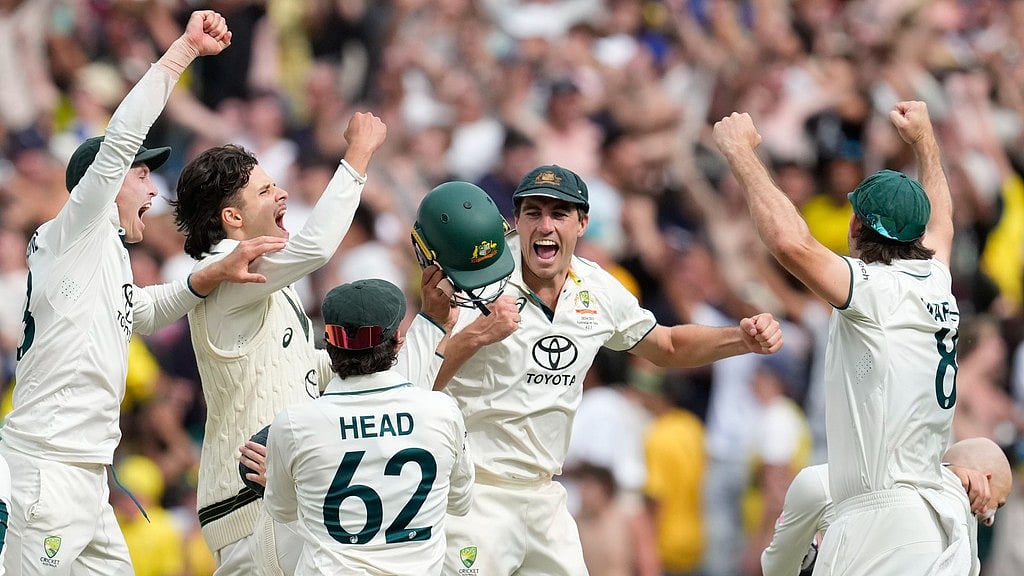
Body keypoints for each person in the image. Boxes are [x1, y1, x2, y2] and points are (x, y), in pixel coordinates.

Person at [0, 11, 286, 576]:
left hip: (87, 475)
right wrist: (183, 51)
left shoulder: (100, 253)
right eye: (140, 175)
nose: (152, 187)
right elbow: (122, 135)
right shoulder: (75, 228)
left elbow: (135, 312)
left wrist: (205, 279)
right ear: (103, 183)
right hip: (47, 472)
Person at [431, 164, 784, 575]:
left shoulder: (598, 288)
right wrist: (478, 335)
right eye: (533, 213)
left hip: (545, 496)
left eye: (559, 213)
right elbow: (423, 380)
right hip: (476, 495)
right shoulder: (479, 282)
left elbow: (666, 345)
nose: (545, 226)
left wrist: (740, 339)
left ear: (582, 223)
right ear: (517, 221)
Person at [172, 112, 454, 576]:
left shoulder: (262, 285)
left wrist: (398, 342)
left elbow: (308, 369)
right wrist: (358, 154)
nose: (282, 194)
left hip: (273, 500)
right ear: (232, 218)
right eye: (265, 191)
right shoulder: (227, 266)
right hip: (250, 506)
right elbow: (317, 248)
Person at [712, 100, 960, 575]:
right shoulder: (937, 280)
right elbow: (943, 224)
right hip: (930, 525)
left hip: (879, 526)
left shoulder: (873, 290)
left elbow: (790, 244)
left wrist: (740, 153)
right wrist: (926, 140)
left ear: (854, 226)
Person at [264, 278, 474, 575]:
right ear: (398, 340)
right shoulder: (441, 411)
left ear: (328, 346)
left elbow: (282, 510)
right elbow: (461, 503)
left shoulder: (294, 423)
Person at [761, 437, 1013, 576]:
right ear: (984, 479)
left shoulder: (965, 546)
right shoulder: (824, 484)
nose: (989, 519)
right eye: (997, 505)